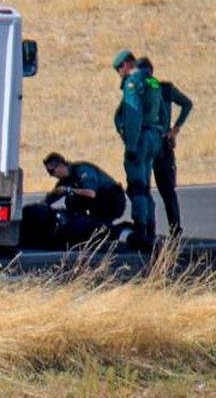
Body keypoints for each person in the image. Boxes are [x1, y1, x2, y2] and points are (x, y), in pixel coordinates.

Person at [111, 50, 164, 250]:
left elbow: (133, 117)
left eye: (119, 69)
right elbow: (162, 111)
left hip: (139, 139)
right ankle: (150, 227)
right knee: (145, 186)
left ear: (126, 65)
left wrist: (131, 145)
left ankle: (141, 231)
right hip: (153, 137)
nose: (119, 73)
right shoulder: (153, 82)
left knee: (137, 187)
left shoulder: (132, 83)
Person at [136, 57, 193, 237]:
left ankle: (171, 230)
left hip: (158, 146)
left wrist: (174, 129)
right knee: (149, 190)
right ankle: (151, 229)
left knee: (164, 190)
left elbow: (187, 104)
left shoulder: (161, 89)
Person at [22, 152, 125, 247]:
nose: (51, 175)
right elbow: (49, 200)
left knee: (74, 199)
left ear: (60, 166)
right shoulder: (65, 181)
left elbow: (91, 193)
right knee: (72, 201)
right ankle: (93, 229)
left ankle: (109, 230)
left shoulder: (81, 170)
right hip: (99, 203)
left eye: (52, 171)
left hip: (112, 200)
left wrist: (68, 190)